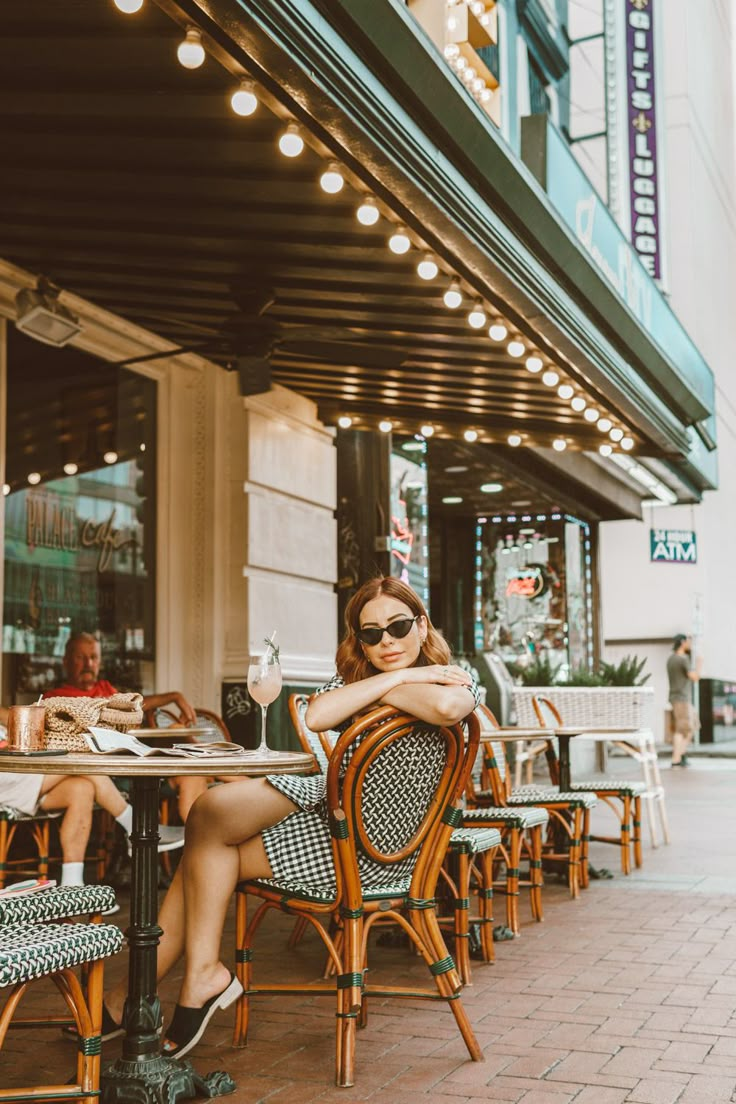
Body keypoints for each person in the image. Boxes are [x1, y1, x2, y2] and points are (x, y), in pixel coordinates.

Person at [103, 576, 479, 1056]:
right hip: (330, 813)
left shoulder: (457, 677)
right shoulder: (361, 679)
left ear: (422, 626)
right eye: (370, 633)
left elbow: (447, 707)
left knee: (205, 851)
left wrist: (389, 683)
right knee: (207, 816)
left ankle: (151, 992)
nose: (386, 641)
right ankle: (176, 984)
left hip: (370, 852)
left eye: (398, 626)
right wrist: (401, 678)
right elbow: (318, 714)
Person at [0, 707, 184, 890]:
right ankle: (136, 827)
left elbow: (16, 719)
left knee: (81, 788)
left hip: (23, 771)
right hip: (7, 776)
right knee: (83, 764)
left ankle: (72, 885)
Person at [44, 632, 206, 820]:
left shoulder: (105, 689)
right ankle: (225, 770)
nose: (88, 664)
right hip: (108, 776)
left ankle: (200, 843)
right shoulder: (55, 699)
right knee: (178, 736)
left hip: (136, 765)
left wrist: (174, 696)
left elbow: (132, 705)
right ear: (66, 661)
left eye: (94, 657)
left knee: (191, 769)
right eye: (80, 657)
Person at [667, 633, 703, 767]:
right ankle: (676, 759)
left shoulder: (671, 659)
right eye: (688, 641)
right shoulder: (682, 659)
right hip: (681, 698)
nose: (690, 644)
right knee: (682, 729)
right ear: (682, 642)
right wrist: (699, 664)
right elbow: (695, 677)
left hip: (678, 698)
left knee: (692, 726)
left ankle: (681, 755)